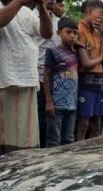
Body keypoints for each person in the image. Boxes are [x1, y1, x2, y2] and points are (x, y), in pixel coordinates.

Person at [0, 0, 53, 161]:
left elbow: (47, 33)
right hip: (1, 80)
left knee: (26, 137)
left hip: (27, 80)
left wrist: (42, 7)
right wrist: (20, 1)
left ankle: (21, 178)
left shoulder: (26, 12)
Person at [75, 0, 103, 140]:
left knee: (96, 122)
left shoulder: (99, 32)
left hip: (99, 81)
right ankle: (78, 152)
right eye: (101, 13)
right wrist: (101, 55)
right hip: (86, 80)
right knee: (84, 122)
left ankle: (93, 155)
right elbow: (85, 63)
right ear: (89, 11)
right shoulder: (79, 30)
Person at [43, 18, 78, 147]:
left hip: (72, 105)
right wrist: (48, 101)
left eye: (75, 33)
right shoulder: (52, 52)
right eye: (68, 32)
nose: (72, 36)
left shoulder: (76, 54)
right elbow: (46, 76)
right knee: (53, 140)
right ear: (58, 33)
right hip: (56, 104)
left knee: (69, 139)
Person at [33, 0, 63, 148]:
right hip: (38, 77)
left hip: (56, 80)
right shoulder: (31, 16)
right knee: (39, 121)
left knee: (52, 123)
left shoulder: (59, 22)